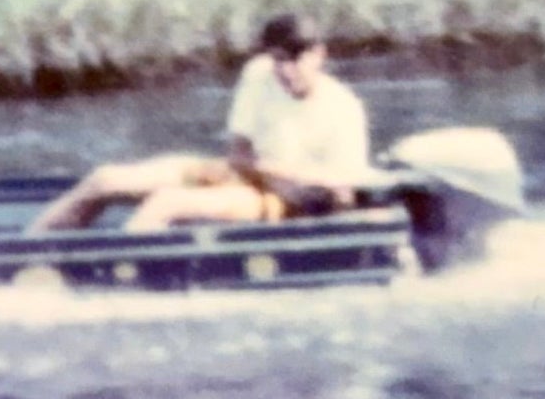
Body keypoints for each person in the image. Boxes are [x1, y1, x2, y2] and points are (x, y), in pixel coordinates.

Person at [27, 13, 375, 234]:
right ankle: (27, 250)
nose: (285, 71)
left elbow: (345, 185)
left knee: (166, 202)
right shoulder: (258, 74)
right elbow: (239, 149)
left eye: (295, 61)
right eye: (278, 60)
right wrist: (250, 168)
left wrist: (269, 171)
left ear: (318, 55)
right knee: (105, 180)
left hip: (283, 202)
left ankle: (120, 268)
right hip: (241, 173)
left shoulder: (344, 109)